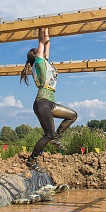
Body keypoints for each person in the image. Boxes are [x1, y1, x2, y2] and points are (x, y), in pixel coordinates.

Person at [20, 28, 77, 172]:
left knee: (72, 116)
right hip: (42, 102)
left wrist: (47, 33)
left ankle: (57, 137)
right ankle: (31, 160)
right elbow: (42, 43)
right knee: (48, 135)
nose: (44, 53)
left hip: (49, 102)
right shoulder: (39, 63)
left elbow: (47, 45)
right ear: (36, 55)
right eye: (41, 52)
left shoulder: (45, 64)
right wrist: (41, 28)